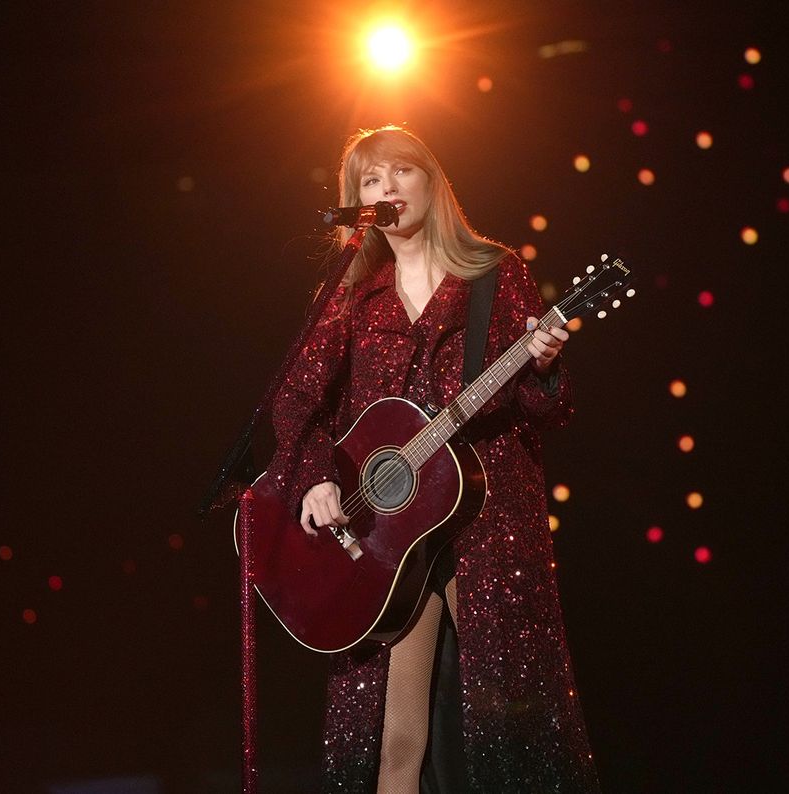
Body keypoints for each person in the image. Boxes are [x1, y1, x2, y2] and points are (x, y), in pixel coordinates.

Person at [262, 125, 600, 792]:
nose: (386, 187)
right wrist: (316, 483)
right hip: (386, 531)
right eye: (369, 180)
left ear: (431, 183)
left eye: (400, 172)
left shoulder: (494, 275)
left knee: (508, 729)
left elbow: (548, 413)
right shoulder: (352, 296)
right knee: (391, 739)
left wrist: (544, 368)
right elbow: (295, 401)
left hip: (489, 517)